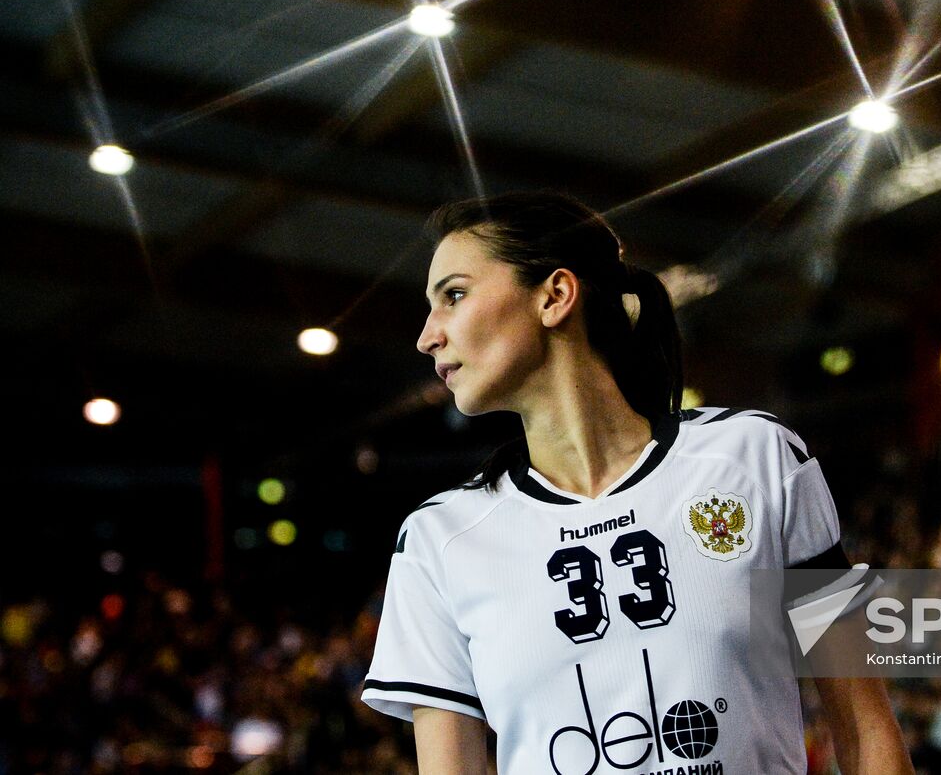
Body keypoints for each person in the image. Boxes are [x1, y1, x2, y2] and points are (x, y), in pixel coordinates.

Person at [361, 191, 912, 774]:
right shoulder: (437, 540)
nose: (427, 336)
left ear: (554, 295)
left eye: (454, 295)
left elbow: (865, 728)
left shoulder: (757, 457)